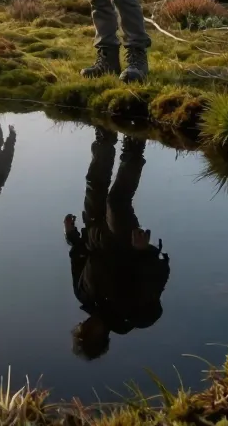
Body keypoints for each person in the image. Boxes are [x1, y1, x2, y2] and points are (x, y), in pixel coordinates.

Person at [64, 128, 170, 360]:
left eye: (82, 329)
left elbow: (79, 259)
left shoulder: (83, 296)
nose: (86, 326)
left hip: (93, 231)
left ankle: (105, 136)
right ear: (101, 337)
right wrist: (143, 252)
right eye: (89, 333)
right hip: (123, 241)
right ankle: (134, 143)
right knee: (116, 201)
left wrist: (71, 235)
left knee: (94, 183)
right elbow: (157, 279)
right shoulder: (130, 314)